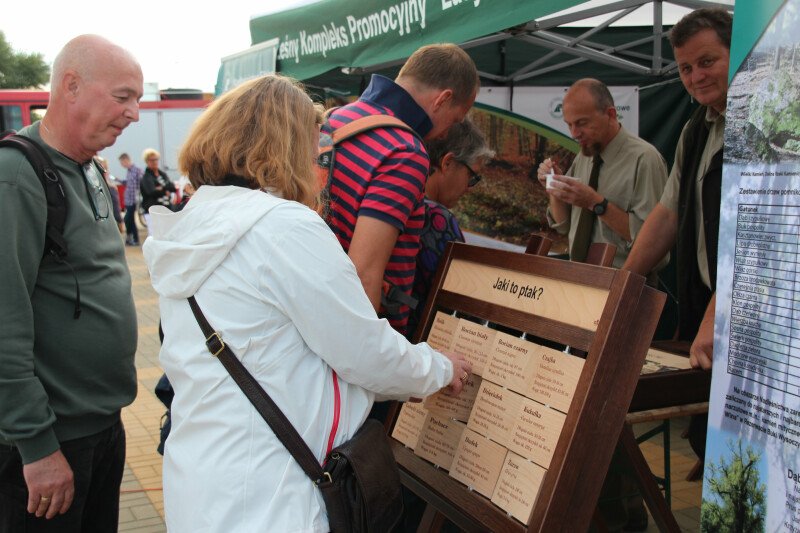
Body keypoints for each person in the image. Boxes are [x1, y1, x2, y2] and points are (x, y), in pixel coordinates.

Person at [142, 74, 472, 532]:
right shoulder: (283, 227)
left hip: (203, 482)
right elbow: (362, 350)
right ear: (286, 146)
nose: (321, 155)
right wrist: (439, 369)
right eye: (313, 142)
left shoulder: (191, 222)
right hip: (276, 496)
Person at [0, 34, 141, 531]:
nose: (135, 114)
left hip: (100, 426)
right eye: (123, 97)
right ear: (72, 86)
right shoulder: (16, 175)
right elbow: (4, 323)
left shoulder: (87, 168)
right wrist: (36, 448)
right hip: (50, 442)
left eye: (137, 100)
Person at [623, 7, 732, 461]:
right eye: (686, 68)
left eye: (707, 61)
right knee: (713, 445)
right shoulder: (696, 129)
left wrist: (721, 310)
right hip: (705, 308)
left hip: (757, 321)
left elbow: (772, 239)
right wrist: (623, 281)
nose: (695, 76)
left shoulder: (776, 125)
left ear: (738, 51)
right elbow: (667, 214)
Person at [323, 43, 479, 336]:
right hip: (357, 332)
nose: (447, 132)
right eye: (455, 119)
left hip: (314, 311)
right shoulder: (404, 150)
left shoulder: (336, 118)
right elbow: (364, 273)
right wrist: (372, 368)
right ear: (443, 99)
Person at [537, 79, 668, 269]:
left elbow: (654, 242)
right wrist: (555, 187)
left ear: (611, 114)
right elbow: (564, 225)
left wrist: (595, 203)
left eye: (582, 123)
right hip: (581, 280)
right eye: (569, 125)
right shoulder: (585, 155)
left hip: (626, 284)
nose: (574, 133)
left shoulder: (645, 159)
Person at [406, 118, 494, 339]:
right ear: (447, 163)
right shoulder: (438, 219)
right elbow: (459, 300)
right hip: (421, 344)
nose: (468, 188)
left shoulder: (401, 201)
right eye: (472, 177)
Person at [139, 147, 175, 226]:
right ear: (147, 161)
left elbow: (172, 187)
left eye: (156, 159)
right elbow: (151, 192)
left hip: (167, 209)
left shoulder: (163, 174)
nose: (154, 162)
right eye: (151, 160)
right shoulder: (146, 177)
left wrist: (161, 188)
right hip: (153, 212)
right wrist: (165, 190)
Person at [119, 152, 144, 245]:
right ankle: (131, 239)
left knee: (128, 219)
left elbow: (142, 184)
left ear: (126, 160)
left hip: (134, 200)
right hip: (128, 200)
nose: (122, 165)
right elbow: (128, 184)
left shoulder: (137, 170)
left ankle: (134, 238)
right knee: (129, 220)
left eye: (122, 163)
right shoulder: (129, 171)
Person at [96, 156, 125, 234]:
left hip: (110, 192)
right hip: (107, 192)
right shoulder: (99, 172)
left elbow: (108, 181)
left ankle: (119, 228)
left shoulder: (105, 172)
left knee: (116, 211)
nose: (102, 164)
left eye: (102, 162)